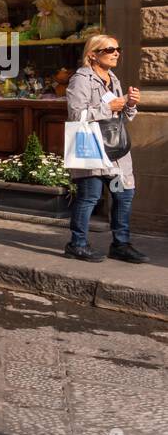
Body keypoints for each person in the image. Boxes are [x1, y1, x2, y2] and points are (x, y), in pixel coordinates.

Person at [65, 34, 147, 263]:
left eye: (117, 49)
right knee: (89, 196)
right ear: (93, 54)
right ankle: (77, 244)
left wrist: (129, 105)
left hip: (116, 153)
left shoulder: (113, 78)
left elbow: (121, 117)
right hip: (91, 149)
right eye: (110, 49)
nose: (116, 53)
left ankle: (120, 244)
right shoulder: (80, 80)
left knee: (123, 194)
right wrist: (108, 106)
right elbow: (76, 115)